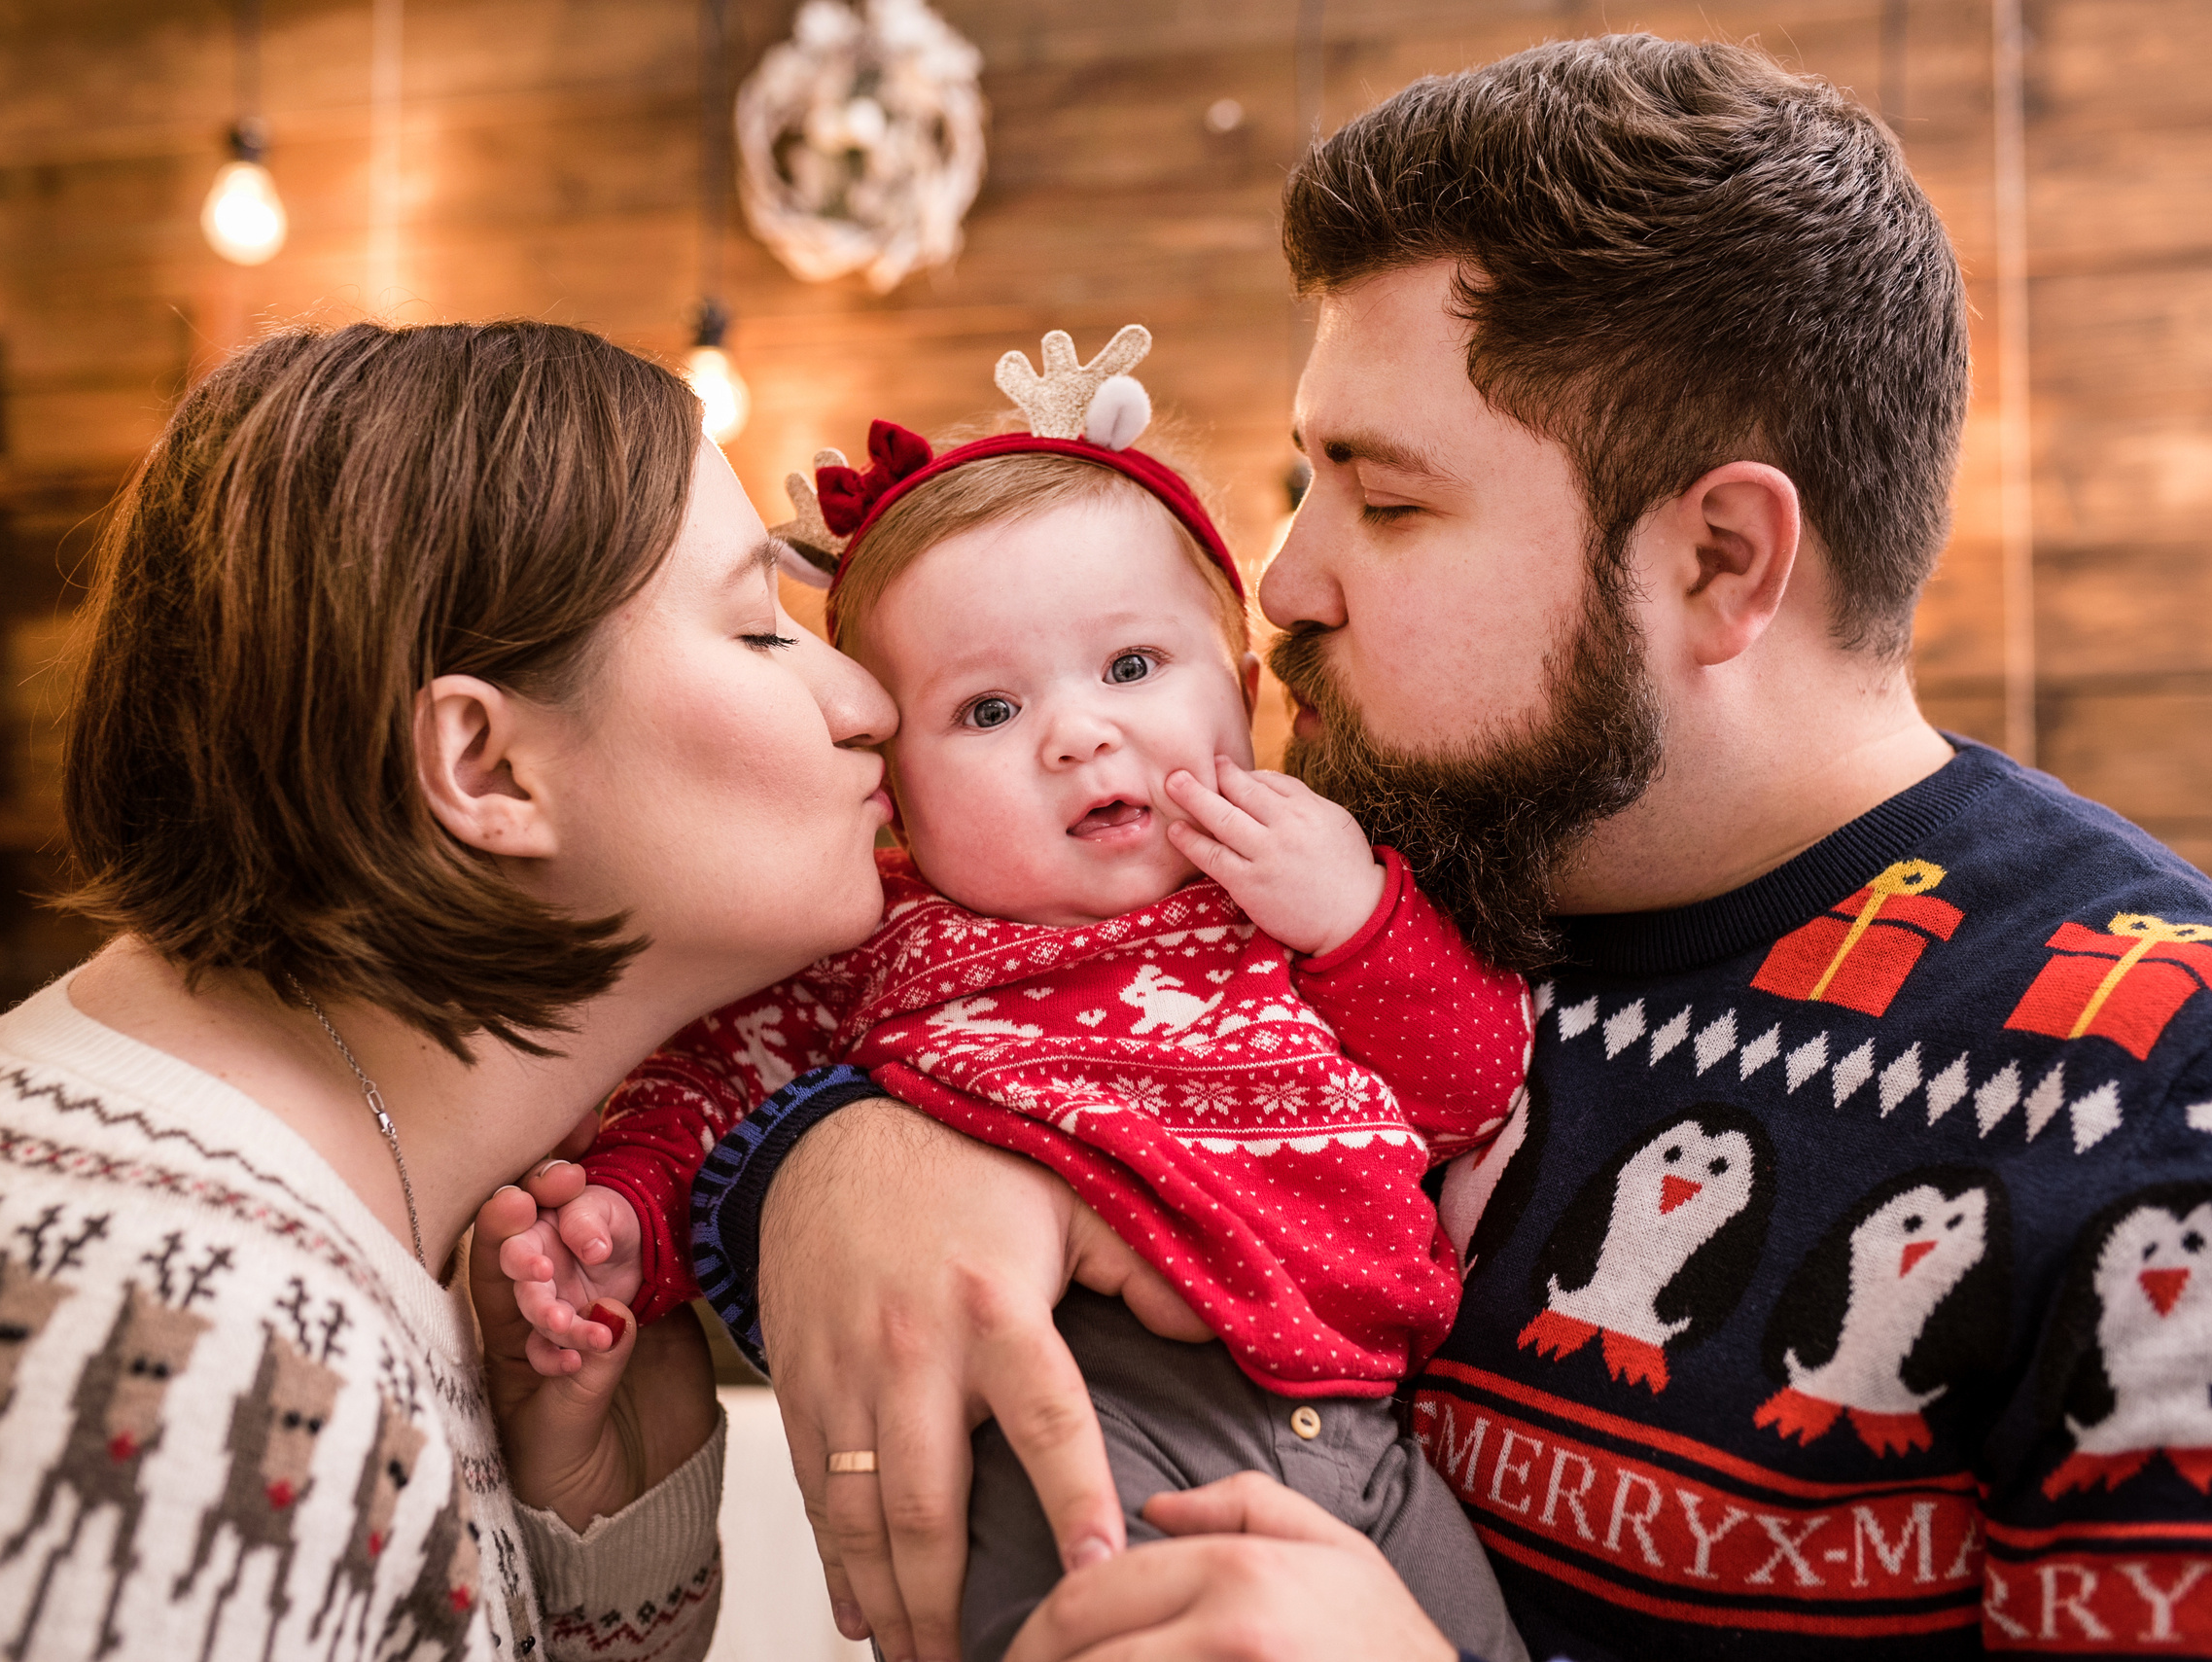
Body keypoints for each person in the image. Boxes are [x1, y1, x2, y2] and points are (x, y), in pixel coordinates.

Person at [677, 34, 2212, 1662]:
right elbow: (933, 1017)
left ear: (1720, 561)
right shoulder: (1343, 879)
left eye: (1384, 504)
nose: (1282, 583)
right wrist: (840, 1158)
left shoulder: (2199, 1115)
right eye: (1305, 484)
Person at [0, 318, 898, 1660]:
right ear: (486, 768)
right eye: (759, 629)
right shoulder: (152, 1400)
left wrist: (604, 1565)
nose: (867, 701)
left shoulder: (345, 1217)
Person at [492, 332, 1530, 1662]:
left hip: (1377, 1429)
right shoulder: (891, 939)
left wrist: (1354, 916)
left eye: (1134, 668)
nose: (1077, 732)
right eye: (988, 710)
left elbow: (1473, 1085)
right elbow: (709, 1083)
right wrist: (626, 1222)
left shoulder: (1306, 885)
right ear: (899, 794)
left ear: (1249, 694)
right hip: (1093, 1409)